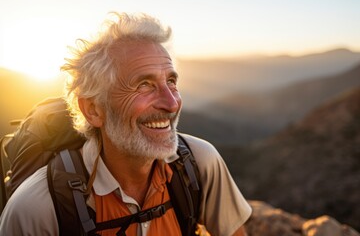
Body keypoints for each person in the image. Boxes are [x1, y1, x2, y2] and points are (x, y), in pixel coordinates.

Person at [0, 12, 251, 235]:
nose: (172, 103)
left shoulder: (199, 163)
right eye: (144, 85)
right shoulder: (38, 208)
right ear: (94, 110)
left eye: (171, 81)